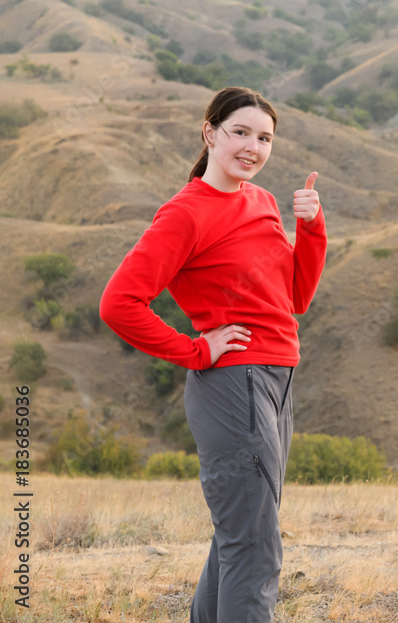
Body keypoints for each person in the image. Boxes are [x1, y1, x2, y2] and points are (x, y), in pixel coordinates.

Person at [98, 86, 327, 622]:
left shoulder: (263, 201)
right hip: (233, 384)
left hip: (278, 379)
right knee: (256, 546)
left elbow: (296, 297)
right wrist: (196, 350)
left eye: (264, 137)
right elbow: (118, 303)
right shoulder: (186, 213)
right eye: (240, 132)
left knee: (241, 537)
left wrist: (311, 227)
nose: (253, 147)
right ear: (210, 133)